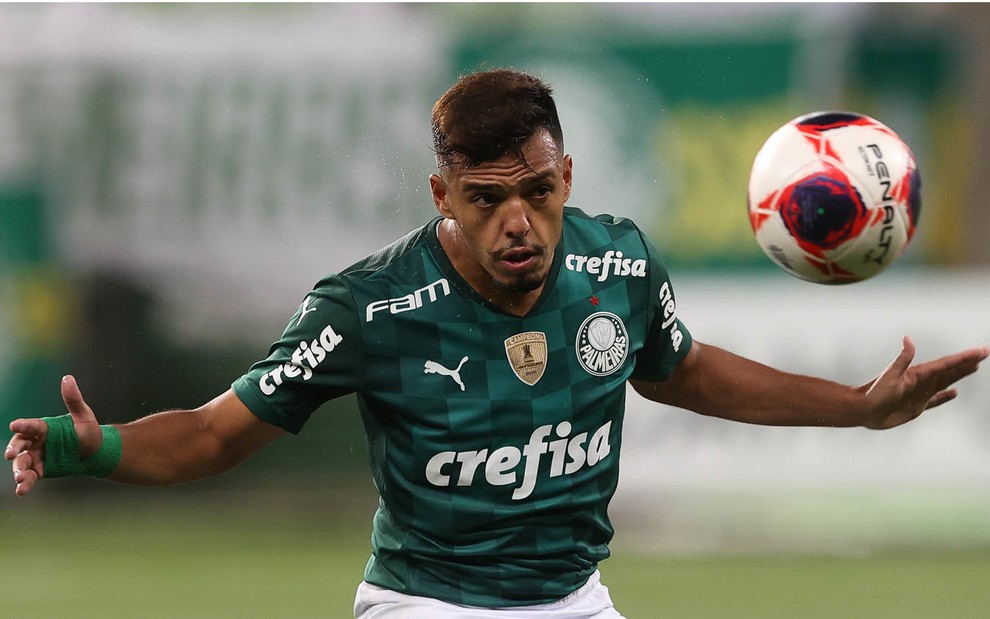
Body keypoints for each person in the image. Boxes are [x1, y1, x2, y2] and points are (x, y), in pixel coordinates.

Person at [6, 68, 988, 619]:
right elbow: (219, 434)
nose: (519, 222)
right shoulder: (368, 308)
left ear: (569, 176)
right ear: (444, 196)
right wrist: (93, 446)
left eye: (539, 192)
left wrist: (859, 406)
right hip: (428, 605)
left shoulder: (619, 265)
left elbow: (681, 370)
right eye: (488, 200)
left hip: (575, 599)